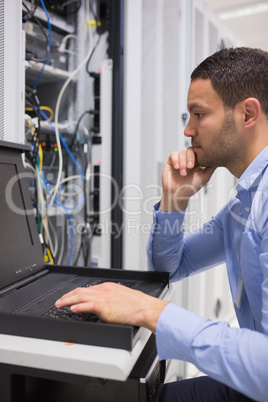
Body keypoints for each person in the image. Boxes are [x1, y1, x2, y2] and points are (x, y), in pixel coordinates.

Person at [55, 47, 268, 401]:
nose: (188, 130)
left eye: (199, 114)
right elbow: (170, 266)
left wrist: (149, 310)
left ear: (247, 114)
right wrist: (174, 201)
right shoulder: (242, 204)